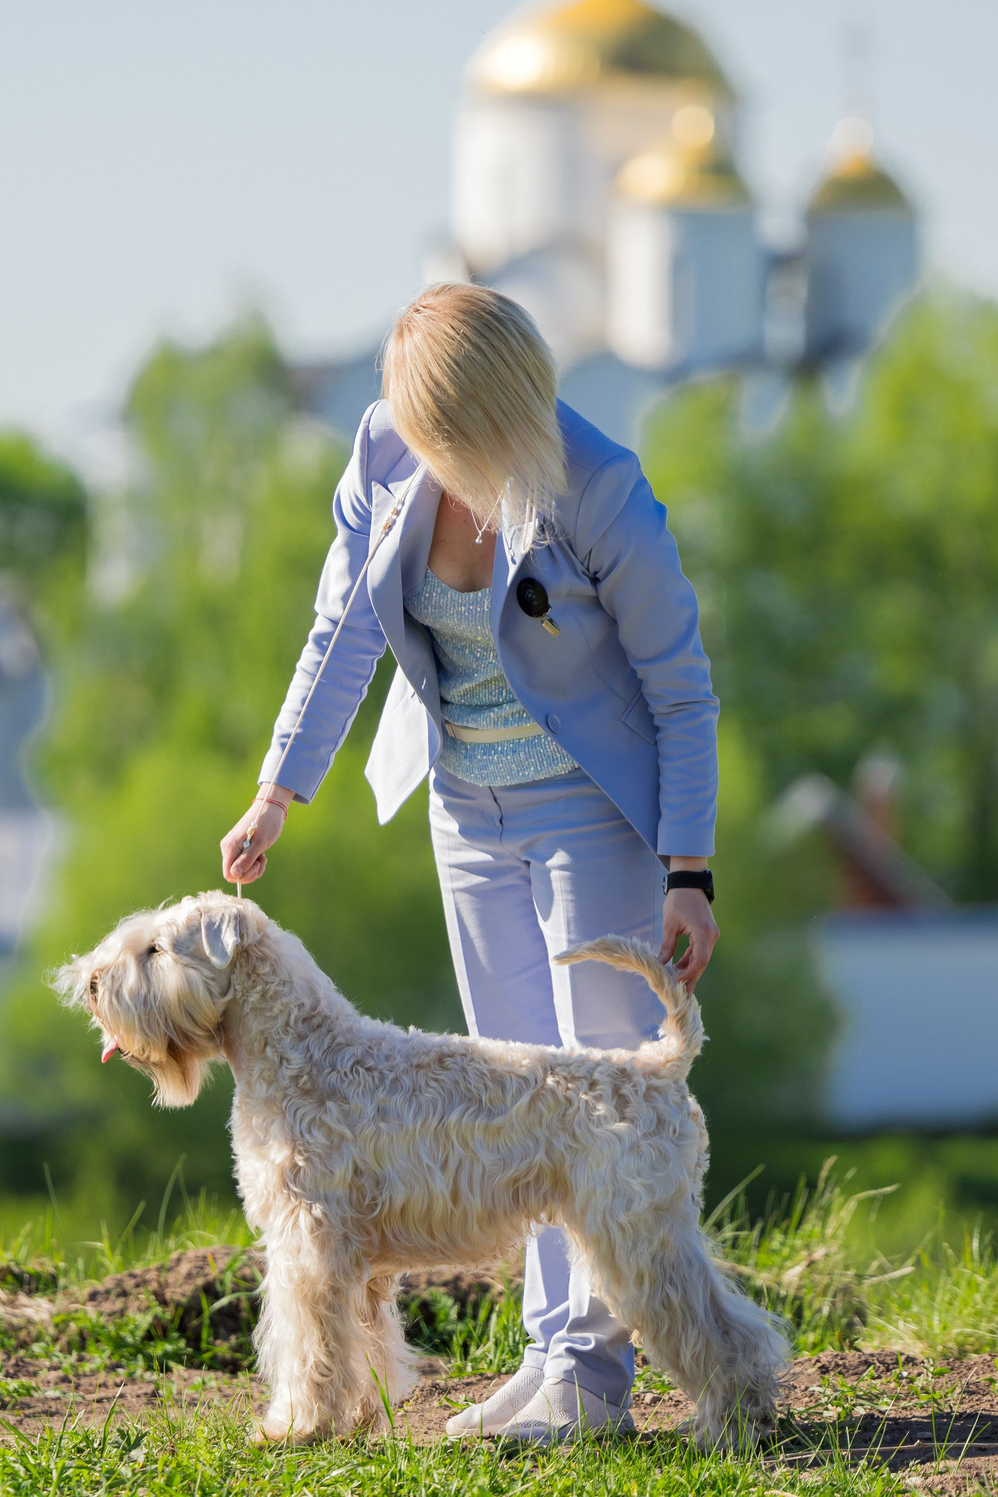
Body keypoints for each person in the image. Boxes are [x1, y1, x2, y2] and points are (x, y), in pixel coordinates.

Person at [219, 281, 720, 1445]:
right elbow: (339, 629)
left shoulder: (600, 486)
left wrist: (688, 869)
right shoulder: (385, 449)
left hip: (589, 808)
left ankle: (594, 1383)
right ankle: (554, 1357)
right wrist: (277, 790)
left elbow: (682, 689)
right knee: (510, 1106)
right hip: (463, 808)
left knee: (591, 1099)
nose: (438, 461)